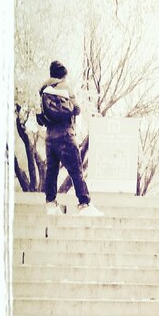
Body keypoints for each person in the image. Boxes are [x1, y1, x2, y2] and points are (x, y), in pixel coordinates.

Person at [38, 60, 103, 216]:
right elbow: (77, 109)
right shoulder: (64, 87)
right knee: (76, 170)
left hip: (50, 137)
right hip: (66, 135)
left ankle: (51, 204)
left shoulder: (43, 91)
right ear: (63, 76)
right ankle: (84, 204)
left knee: (52, 171)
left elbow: (42, 115)